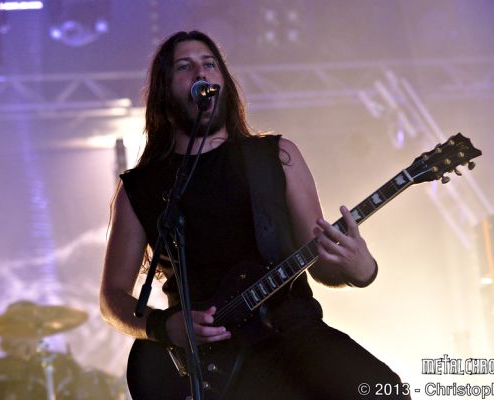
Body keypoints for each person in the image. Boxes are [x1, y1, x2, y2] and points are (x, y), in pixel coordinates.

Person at [100, 30, 410, 400]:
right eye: (185, 66)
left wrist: (361, 268)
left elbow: (320, 263)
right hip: (212, 363)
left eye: (209, 64)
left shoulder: (277, 157)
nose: (201, 71)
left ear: (224, 83)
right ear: (164, 91)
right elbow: (112, 298)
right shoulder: (141, 188)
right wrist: (164, 327)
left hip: (296, 335)